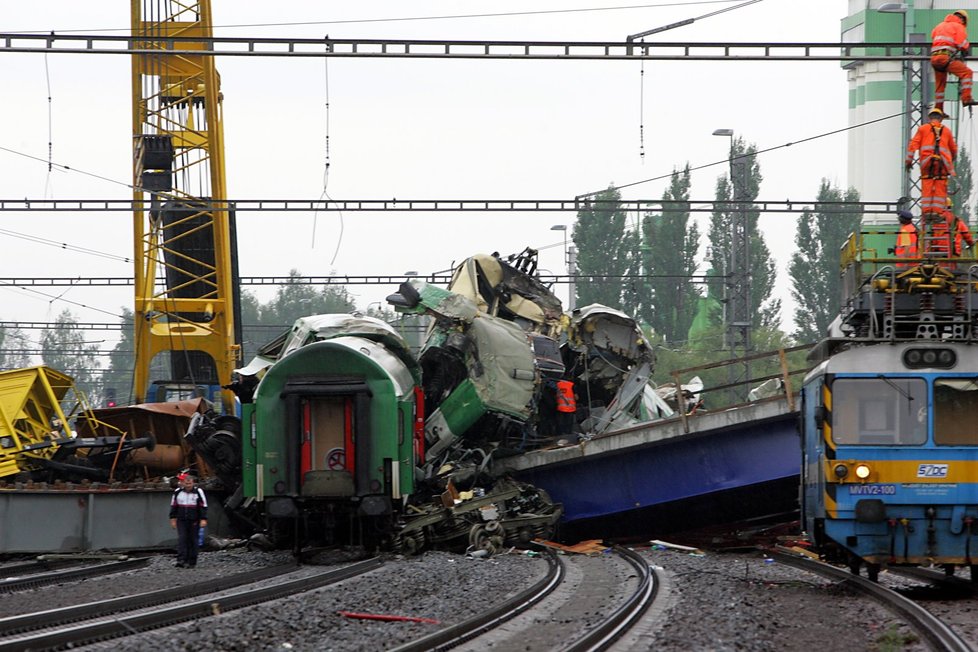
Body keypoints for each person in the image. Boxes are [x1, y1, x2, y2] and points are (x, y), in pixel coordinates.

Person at [906, 106, 957, 217]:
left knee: (927, 185)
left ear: (930, 118)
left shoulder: (923, 129)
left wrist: (908, 162)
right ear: (941, 119)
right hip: (942, 164)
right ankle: (937, 212)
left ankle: (927, 212)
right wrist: (950, 162)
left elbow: (912, 146)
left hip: (927, 162)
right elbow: (954, 149)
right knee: (940, 186)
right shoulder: (947, 131)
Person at [931, 10, 976, 110]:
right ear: (962, 19)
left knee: (940, 87)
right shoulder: (958, 26)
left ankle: (938, 110)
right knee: (967, 73)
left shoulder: (939, 25)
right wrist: (966, 48)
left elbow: (934, 37)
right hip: (945, 58)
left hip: (934, 59)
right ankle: (966, 98)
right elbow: (961, 43)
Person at [169, 472, 207, 568]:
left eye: (190, 483)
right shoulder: (177, 492)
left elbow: (203, 506)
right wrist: (173, 518)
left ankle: (192, 561)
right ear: (182, 483)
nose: (188, 485)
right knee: (182, 539)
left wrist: (203, 519)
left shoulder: (198, 492)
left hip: (194, 519)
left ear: (193, 483)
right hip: (181, 519)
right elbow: (174, 506)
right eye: (186, 483)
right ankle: (181, 560)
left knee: (193, 540)